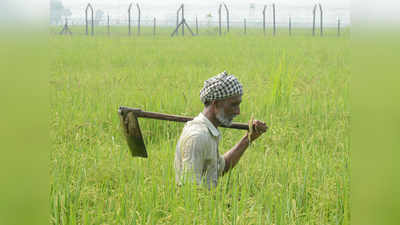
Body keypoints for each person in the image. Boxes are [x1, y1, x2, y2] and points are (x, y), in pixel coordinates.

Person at [174, 71, 268, 188]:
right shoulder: (198, 137)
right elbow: (189, 189)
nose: (238, 111)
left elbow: (220, 168)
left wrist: (248, 139)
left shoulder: (208, 131)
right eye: (234, 105)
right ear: (216, 104)